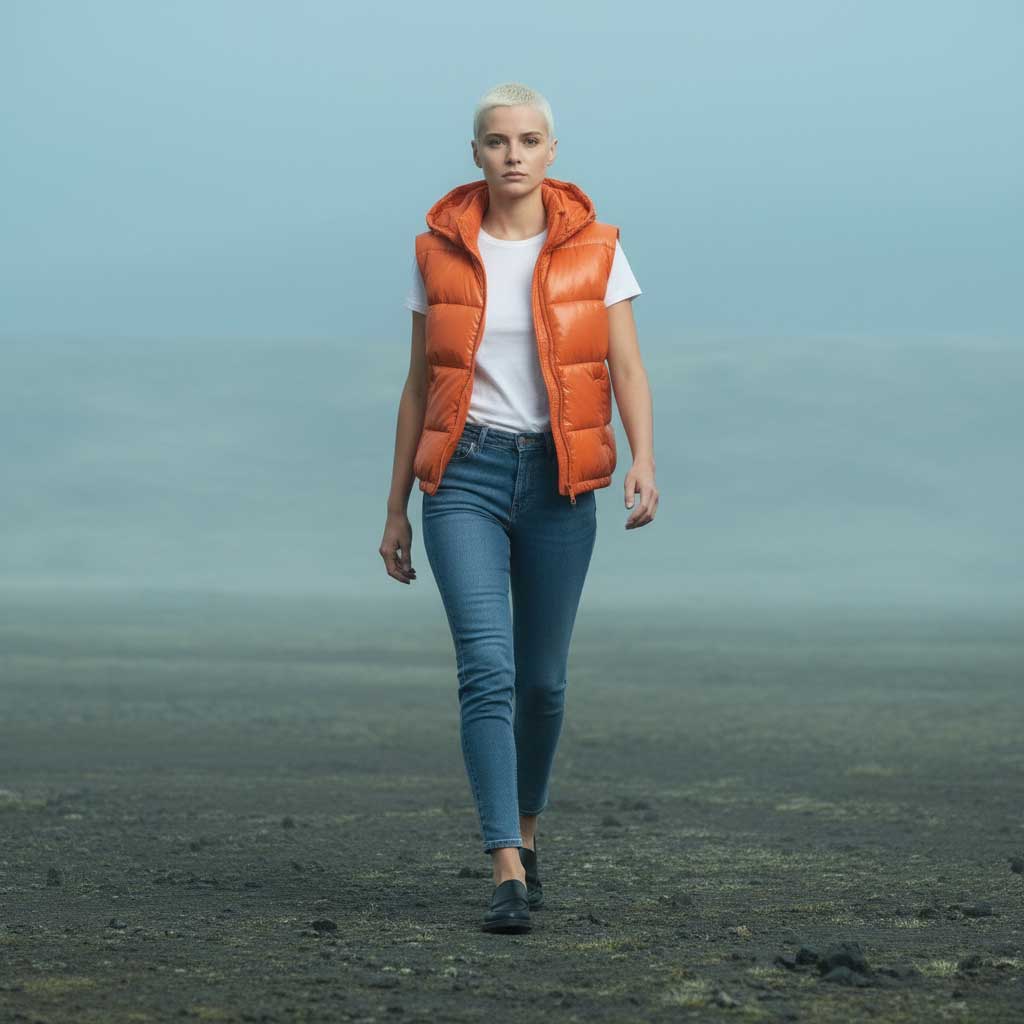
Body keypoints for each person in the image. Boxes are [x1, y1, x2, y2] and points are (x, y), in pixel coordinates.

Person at [380, 82, 658, 933]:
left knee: (542, 684)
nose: (512, 154)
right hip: (462, 478)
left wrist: (644, 459)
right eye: (497, 141)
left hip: (558, 484)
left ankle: (529, 834)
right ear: (475, 152)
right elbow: (418, 384)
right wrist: (395, 507)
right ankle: (504, 865)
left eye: (528, 140)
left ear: (551, 151)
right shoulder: (437, 253)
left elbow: (625, 367)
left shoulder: (599, 250)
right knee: (488, 670)